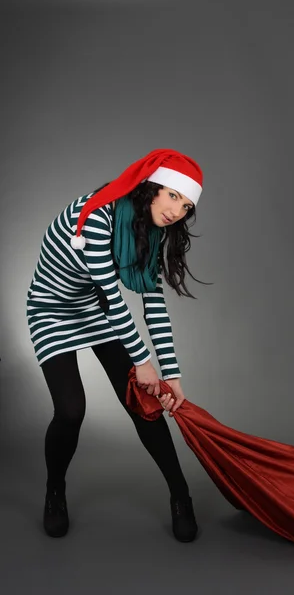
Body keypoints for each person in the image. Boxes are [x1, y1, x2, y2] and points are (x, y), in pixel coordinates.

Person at [26, 148, 207, 542]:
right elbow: (112, 294)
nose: (177, 210)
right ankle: (55, 490)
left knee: (143, 405)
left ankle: (181, 496)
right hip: (52, 310)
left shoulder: (149, 230)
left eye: (187, 205)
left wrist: (171, 374)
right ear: (152, 188)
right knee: (71, 411)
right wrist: (143, 362)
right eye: (173, 195)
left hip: (93, 310)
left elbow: (152, 302)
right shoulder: (98, 213)